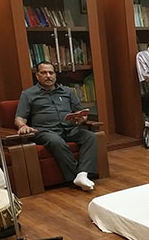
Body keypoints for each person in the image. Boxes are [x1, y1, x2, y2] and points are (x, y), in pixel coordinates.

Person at [16, 61, 98, 191]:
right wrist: (22, 126)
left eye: (51, 73)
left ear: (55, 75)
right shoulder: (28, 94)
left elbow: (80, 112)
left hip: (69, 128)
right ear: (37, 76)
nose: (48, 76)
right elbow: (19, 118)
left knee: (91, 137)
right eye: (44, 73)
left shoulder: (67, 92)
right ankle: (74, 177)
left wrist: (81, 118)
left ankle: (82, 174)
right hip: (46, 131)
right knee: (56, 141)